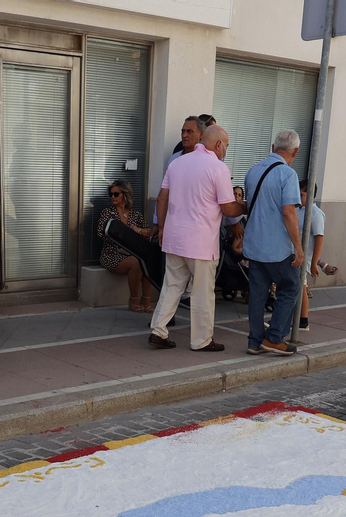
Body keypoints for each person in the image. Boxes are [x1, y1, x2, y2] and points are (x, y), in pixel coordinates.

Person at [149, 124, 243, 352]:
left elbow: (162, 198)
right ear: (218, 144)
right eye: (227, 146)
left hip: (174, 237)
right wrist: (246, 206)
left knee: (172, 286)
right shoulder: (218, 168)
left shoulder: (178, 162)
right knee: (202, 292)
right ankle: (201, 340)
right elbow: (229, 208)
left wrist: (161, 227)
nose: (226, 150)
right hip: (201, 242)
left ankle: (158, 331)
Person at [240, 130, 304, 356]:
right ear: (295, 151)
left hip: (254, 245)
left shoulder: (253, 171)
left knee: (257, 294)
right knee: (291, 287)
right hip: (277, 248)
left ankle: (254, 341)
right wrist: (298, 247)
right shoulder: (288, 175)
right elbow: (289, 213)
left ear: (272, 147)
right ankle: (275, 338)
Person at [98, 180, 153, 312]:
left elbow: (150, 233)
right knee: (137, 262)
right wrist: (119, 233)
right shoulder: (108, 213)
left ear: (125, 195)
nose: (112, 197)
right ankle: (133, 299)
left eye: (116, 194)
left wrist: (138, 231)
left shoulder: (135, 215)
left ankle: (146, 299)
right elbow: (100, 233)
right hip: (112, 254)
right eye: (110, 194)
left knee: (149, 261)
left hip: (132, 253)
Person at [296, 178, 338, 332]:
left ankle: (303, 321)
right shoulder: (298, 210)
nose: (299, 197)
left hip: (304, 257)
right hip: (294, 254)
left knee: (301, 287)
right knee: (298, 287)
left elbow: (319, 237)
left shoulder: (315, 213)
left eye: (302, 194)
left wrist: (315, 263)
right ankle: (298, 319)